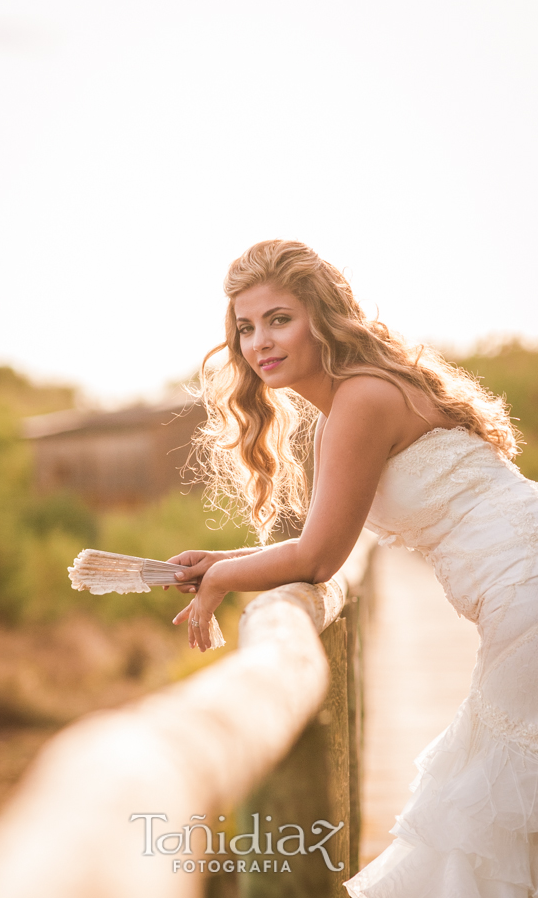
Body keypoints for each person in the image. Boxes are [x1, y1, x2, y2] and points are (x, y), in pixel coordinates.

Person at [169, 239, 538, 896]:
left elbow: (315, 557)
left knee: (483, 806)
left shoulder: (360, 400)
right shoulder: (361, 395)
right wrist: (219, 563)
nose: (259, 342)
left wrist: (223, 579)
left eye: (278, 318)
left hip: (527, 596)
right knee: (491, 809)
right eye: (244, 328)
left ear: (323, 316)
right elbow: (322, 538)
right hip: (519, 595)